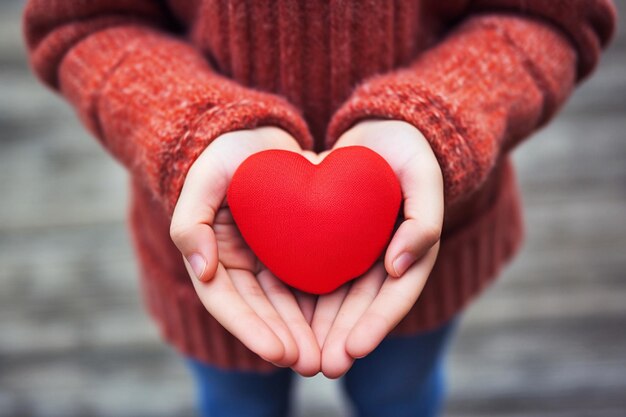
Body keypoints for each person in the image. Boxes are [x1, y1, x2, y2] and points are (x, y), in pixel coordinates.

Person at [23, 1, 616, 416]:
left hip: (420, 256)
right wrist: (193, 125)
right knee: (235, 405)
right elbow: (82, 20)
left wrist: (441, 114)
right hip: (215, 257)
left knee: (400, 399)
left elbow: (551, 14)